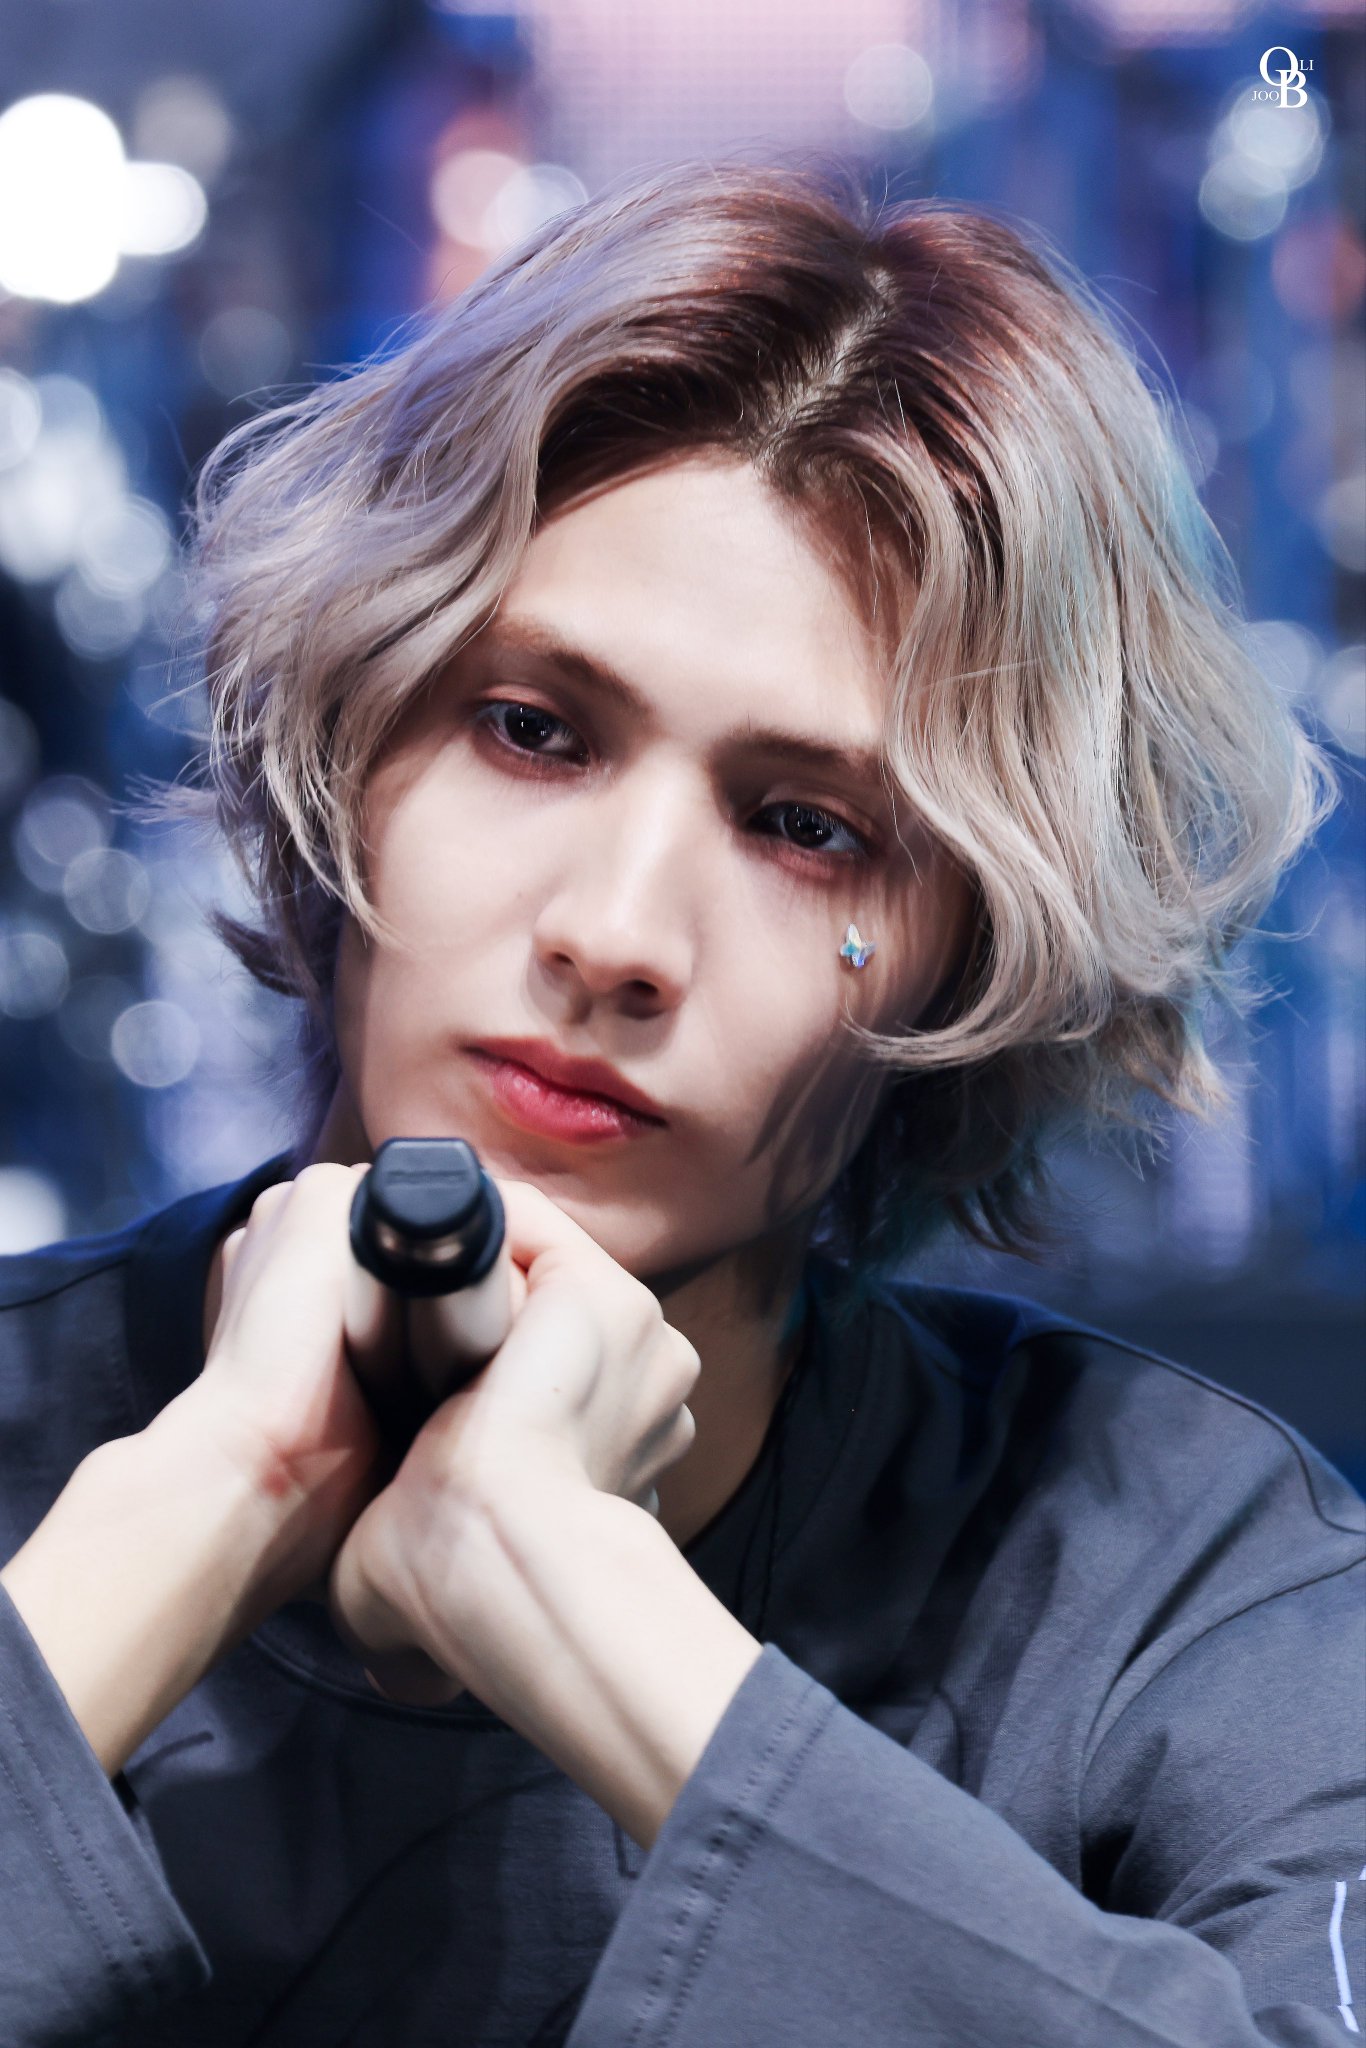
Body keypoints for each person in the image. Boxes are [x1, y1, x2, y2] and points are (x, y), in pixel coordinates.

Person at [1, 158, 1361, 2048]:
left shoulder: (1184, 1586)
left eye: (806, 828)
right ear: (347, 744)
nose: (617, 937)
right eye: (530, 730)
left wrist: (572, 1600)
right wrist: (181, 1521)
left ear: (977, 950)